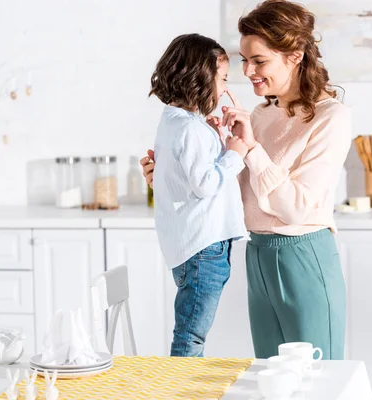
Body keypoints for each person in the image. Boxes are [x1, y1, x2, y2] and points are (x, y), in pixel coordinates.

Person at [142, 0, 351, 359]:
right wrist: (173, 176)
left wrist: (250, 150)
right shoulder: (260, 113)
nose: (248, 70)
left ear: (295, 55)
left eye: (259, 60)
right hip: (258, 254)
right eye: (244, 59)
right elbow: (234, 194)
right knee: (271, 377)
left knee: (318, 379)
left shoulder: (331, 117)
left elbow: (296, 208)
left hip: (304, 254)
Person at [149, 33, 249, 357]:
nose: (225, 89)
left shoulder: (175, 121)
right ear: (199, 77)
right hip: (204, 248)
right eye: (222, 79)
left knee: (191, 332)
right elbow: (205, 184)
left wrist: (215, 138)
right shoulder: (191, 128)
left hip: (191, 246)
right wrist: (235, 152)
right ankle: (183, 391)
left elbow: (186, 174)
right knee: (191, 336)